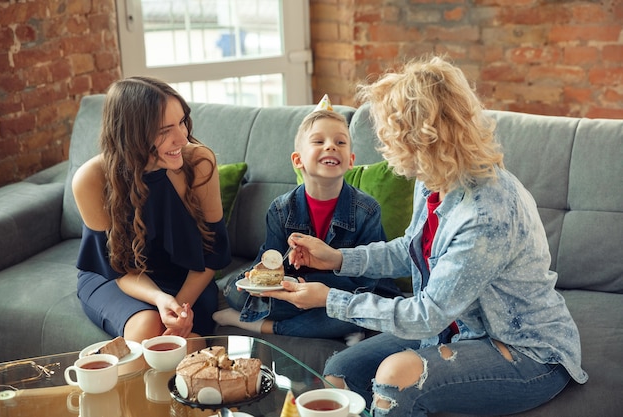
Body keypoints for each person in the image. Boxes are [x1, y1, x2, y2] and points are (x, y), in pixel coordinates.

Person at [267, 56, 588, 416]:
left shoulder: (485, 213)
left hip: (526, 351)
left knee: (395, 376)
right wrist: (338, 258)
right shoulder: (435, 177)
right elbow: (412, 249)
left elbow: (426, 316)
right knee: (340, 374)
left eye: (390, 133)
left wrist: (330, 299)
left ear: (421, 136)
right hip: (454, 333)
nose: (385, 144)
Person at [213, 98, 401, 342]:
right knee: (234, 291)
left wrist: (317, 288)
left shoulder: (366, 209)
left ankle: (264, 327)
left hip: (347, 292)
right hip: (294, 292)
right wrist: (266, 274)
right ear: (298, 160)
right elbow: (269, 262)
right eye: (319, 141)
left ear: (351, 161)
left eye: (340, 142)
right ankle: (331, 323)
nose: (331, 146)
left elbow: (368, 278)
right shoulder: (281, 209)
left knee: (352, 312)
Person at [73, 76, 231, 342]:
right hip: (116, 280)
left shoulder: (201, 162)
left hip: (188, 281)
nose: (182, 138)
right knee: (149, 326)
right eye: (164, 130)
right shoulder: (90, 179)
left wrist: (178, 309)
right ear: (131, 133)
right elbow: (116, 268)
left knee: (174, 338)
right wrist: (158, 299)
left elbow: (212, 254)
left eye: (182, 122)